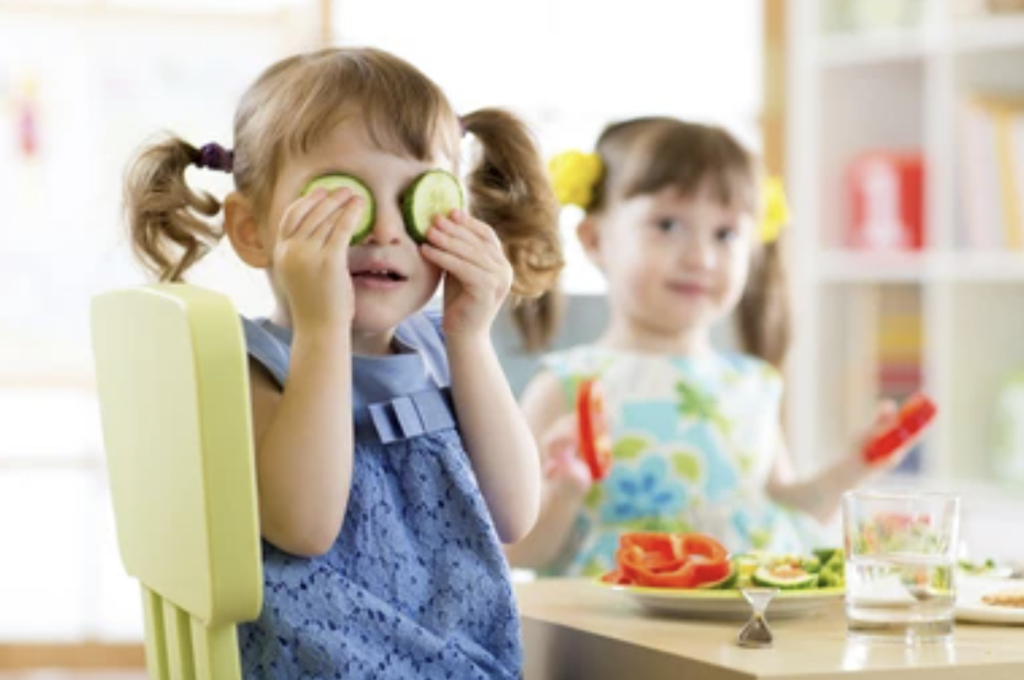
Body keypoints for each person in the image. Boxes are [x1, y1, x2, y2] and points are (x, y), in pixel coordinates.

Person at [123, 46, 562, 679]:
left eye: (417, 200)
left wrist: (472, 338)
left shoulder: (447, 350)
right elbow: (305, 526)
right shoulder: (247, 363)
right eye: (342, 202)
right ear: (252, 231)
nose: (385, 231)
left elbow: (514, 514)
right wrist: (323, 327)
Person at [504, 116, 919, 577]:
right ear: (595, 240)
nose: (700, 257)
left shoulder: (752, 385)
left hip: (745, 614)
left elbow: (785, 512)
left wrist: (856, 465)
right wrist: (563, 493)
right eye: (666, 224)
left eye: (725, 234)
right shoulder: (566, 387)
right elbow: (517, 552)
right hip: (617, 619)